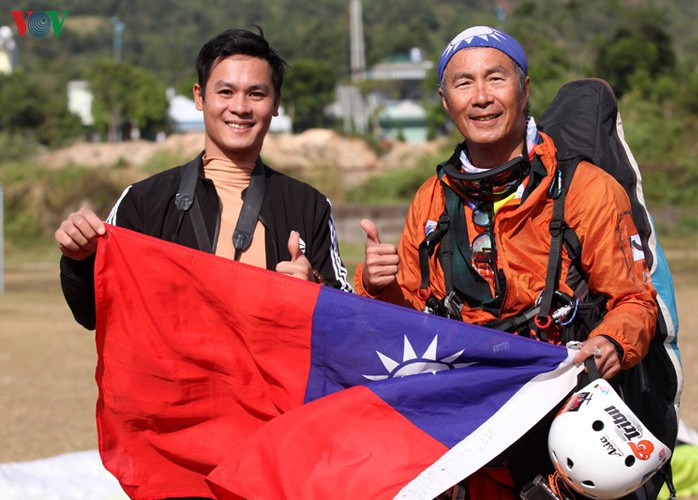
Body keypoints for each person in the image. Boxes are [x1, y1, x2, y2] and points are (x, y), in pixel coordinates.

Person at [355, 26, 660, 498]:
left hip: (568, 424)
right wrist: (380, 288)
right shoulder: (431, 203)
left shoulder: (587, 191)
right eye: (463, 83)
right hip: (469, 433)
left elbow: (636, 300)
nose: (480, 97)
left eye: (495, 79)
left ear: (524, 89)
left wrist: (608, 344)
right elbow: (411, 325)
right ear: (444, 100)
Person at [56, 27, 351, 331]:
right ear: (200, 96)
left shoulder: (308, 205)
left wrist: (314, 293)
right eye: (226, 92)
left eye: (257, 94)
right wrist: (79, 259)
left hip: (275, 381)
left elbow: (347, 324)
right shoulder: (144, 201)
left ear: (276, 103)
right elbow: (93, 313)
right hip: (175, 380)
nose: (240, 107)